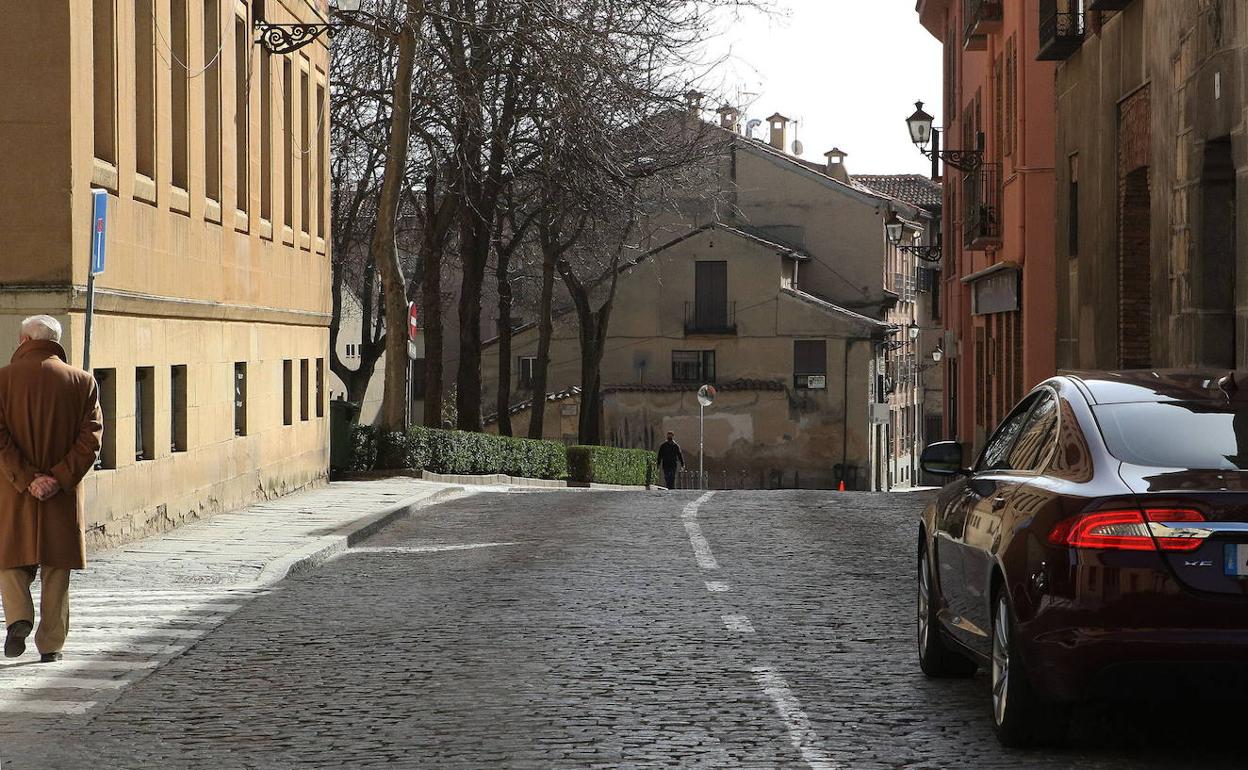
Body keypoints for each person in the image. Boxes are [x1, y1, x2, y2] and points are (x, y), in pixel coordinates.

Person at [0, 315, 102, 664]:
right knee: (57, 568)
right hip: (62, 493)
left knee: (10, 559)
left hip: (14, 490)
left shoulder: (3, 380)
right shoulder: (82, 381)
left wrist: (28, 478)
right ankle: (51, 644)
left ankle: (18, 618)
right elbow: (91, 439)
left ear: (26, 340)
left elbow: (0, 439)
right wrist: (58, 477)